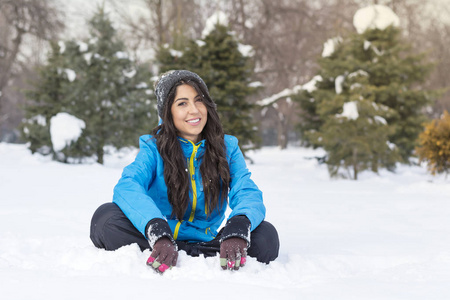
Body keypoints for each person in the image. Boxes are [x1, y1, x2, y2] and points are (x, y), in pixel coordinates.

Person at [90, 70, 279, 274]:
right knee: (105, 218)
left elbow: (246, 190)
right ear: (167, 112)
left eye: (199, 101)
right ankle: (166, 248)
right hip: (159, 238)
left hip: (208, 240)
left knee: (266, 236)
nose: (194, 110)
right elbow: (128, 186)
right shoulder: (154, 148)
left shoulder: (227, 147)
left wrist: (238, 227)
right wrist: (157, 230)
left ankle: (196, 250)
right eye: (182, 103)